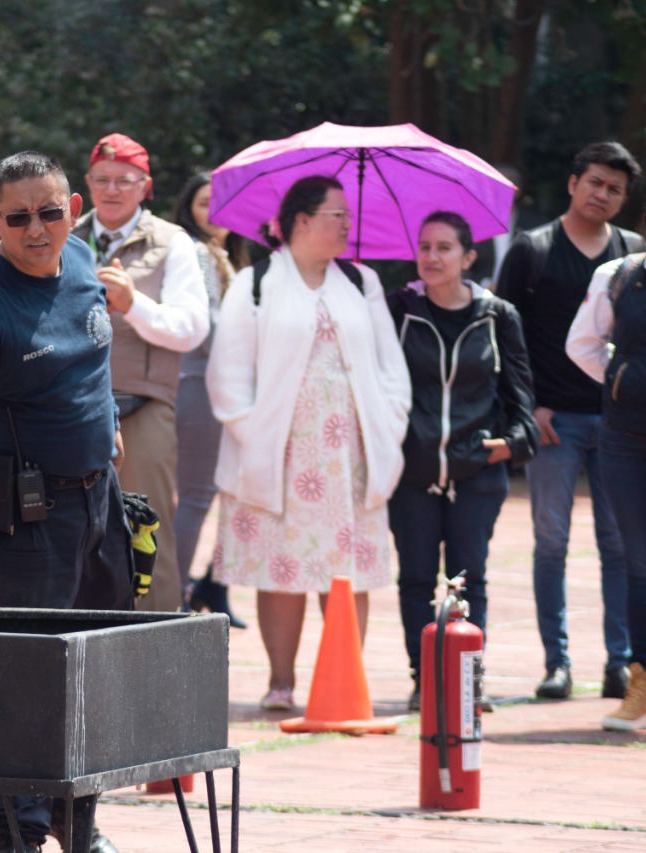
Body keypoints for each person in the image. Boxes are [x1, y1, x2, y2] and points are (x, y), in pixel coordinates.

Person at [0, 151, 130, 853]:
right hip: (28, 520)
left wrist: (112, 427)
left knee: (95, 666)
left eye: (50, 212)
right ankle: (17, 832)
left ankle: (81, 821)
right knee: (24, 676)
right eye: (19, 218)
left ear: (74, 207)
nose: (38, 230)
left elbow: (95, 362)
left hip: (101, 504)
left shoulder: (81, 261)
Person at [207, 175, 410, 711]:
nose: (347, 224)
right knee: (281, 567)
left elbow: (392, 368)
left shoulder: (361, 282)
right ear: (301, 221)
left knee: (348, 566)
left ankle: (344, 679)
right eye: (336, 214)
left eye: (347, 215)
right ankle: (281, 681)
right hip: (278, 452)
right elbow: (228, 375)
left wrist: (390, 422)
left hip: (350, 454)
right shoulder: (254, 284)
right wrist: (253, 433)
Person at [495, 141, 645, 701]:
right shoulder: (531, 250)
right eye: (595, 182)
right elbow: (505, 338)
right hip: (552, 421)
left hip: (620, 424)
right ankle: (556, 663)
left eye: (615, 188)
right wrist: (528, 408)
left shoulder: (633, 254)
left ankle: (620, 660)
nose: (601, 194)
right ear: (572, 182)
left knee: (621, 543)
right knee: (551, 542)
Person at [386, 211, 538, 711]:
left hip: (477, 473)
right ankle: (423, 679)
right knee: (415, 577)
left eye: (444, 248)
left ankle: (467, 677)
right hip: (413, 473)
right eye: (424, 247)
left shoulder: (497, 315)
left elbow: (519, 393)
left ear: (469, 258)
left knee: (469, 578)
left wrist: (512, 442)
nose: (431, 257)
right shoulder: (398, 309)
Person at [72, 133, 208, 613]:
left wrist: (134, 305)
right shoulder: (63, 235)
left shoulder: (173, 243)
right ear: (87, 184)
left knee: (149, 527)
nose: (112, 190)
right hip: (70, 405)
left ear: (145, 186)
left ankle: (159, 651)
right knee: (71, 525)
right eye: (102, 180)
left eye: (124, 181)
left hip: (143, 405)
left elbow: (192, 329)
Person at [567, 180, 646, 731]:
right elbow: (582, 345)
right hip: (627, 443)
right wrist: (621, 381)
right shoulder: (618, 277)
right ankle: (644, 690)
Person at [170, 171, 244, 628]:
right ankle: (174, 594)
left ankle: (213, 584)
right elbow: (210, 327)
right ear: (188, 211)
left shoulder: (224, 257)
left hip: (224, 385)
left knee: (232, 492)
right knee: (197, 496)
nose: (215, 213)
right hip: (200, 382)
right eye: (204, 204)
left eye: (222, 204)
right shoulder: (198, 253)